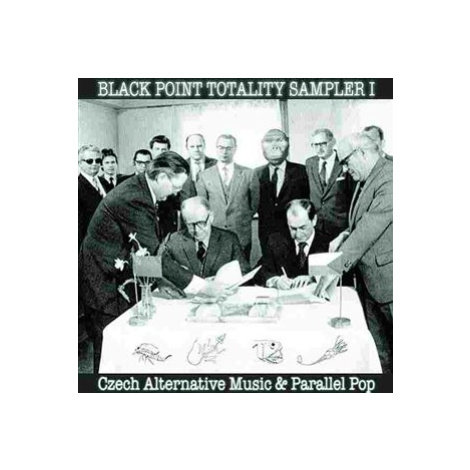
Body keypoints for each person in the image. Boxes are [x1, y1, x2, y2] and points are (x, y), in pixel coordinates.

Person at [79, 152, 190, 372]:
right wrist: (201, 286)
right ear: (161, 178)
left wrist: (162, 282)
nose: (177, 192)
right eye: (176, 186)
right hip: (102, 283)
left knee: (125, 348)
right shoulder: (134, 197)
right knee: (109, 349)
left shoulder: (141, 189)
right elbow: (155, 253)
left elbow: (141, 248)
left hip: (116, 277)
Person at [315, 132, 393, 373]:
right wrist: (345, 234)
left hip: (390, 283)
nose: (345, 170)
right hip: (371, 282)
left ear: (362, 153)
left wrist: (334, 267)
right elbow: (362, 223)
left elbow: (370, 227)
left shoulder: (391, 177)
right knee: (379, 356)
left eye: (347, 162)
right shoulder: (368, 178)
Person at [162, 196, 250, 294]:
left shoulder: (229, 239)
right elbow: (162, 272)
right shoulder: (174, 240)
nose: (196, 230)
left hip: (221, 297)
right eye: (190, 225)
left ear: (211, 217)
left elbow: (244, 272)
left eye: (201, 223)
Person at [197, 134, 259, 261]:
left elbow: (254, 204)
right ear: (216, 148)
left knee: (242, 270)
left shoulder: (248, 174)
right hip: (215, 236)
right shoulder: (204, 175)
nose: (224, 152)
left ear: (235, 149)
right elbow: (203, 206)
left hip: (241, 235)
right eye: (221, 147)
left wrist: (241, 218)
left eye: (228, 148)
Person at [255, 129, 309, 256]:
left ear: (288, 144)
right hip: (266, 235)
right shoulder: (256, 174)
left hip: (295, 233)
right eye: (269, 141)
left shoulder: (302, 171)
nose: (274, 146)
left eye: (279, 140)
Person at [256, 199, 329, 289]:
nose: (298, 234)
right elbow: (261, 271)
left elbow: (336, 275)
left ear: (314, 220)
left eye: (303, 228)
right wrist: (275, 281)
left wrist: (313, 278)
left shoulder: (328, 243)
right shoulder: (276, 241)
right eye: (293, 229)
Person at [305, 128, 355, 241]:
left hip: (340, 228)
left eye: (323, 144)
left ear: (333, 142)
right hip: (316, 228)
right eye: (315, 145)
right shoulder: (309, 163)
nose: (319, 148)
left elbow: (353, 197)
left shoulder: (344, 161)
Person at [149, 135, 179, 237]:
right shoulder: (146, 170)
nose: (160, 153)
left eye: (163, 150)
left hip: (168, 216)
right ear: (152, 150)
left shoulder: (175, 170)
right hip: (148, 215)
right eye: (157, 149)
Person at [78, 144, 106, 249]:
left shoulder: (105, 183)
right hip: (90, 245)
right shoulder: (77, 186)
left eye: (98, 160)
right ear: (80, 163)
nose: (94, 164)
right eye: (89, 161)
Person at [180, 134, 217, 202]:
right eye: (192, 146)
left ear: (204, 146)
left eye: (199, 146)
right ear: (186, 147)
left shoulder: (216, 165)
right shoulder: (180, 166)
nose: (196, 150)